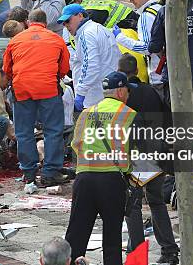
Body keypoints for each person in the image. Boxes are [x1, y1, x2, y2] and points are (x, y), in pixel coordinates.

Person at [66, 71, 137, 264]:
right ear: (121, 92)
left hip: (84, 180)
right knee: (112, 237)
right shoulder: (129, 115)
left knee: (76, 233)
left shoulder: (86, 113)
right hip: (112, 181)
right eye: (128, 91)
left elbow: (76, 144)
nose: (129, 95)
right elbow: (136, 149)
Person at [118, 54, 179, 264]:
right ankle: (169, 251)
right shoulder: (152, 92)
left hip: (138, 155)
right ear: (137, 70)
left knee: (132, 204)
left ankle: (136, 252)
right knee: (156, 201)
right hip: (158, 152)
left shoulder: (125, 97)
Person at [4, 9, 70, 187]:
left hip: (22, 89)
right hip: (48, 89)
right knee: (53, 131)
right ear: (45, 23)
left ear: (27, 22)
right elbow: (64, 68)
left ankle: (29, 173)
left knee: (24, 132)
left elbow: (7, 69)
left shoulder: (16, 40)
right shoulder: (56, 39)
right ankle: (50, 172)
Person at [57, 4, 121, 111]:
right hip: (104, 92)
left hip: (94, 97)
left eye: (68, 21)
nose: (66, 25)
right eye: (63, 23)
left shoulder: (87, 35)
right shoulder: (99, 28)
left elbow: (91, 65)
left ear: (80, 16)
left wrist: (81, 93)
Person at [114, 0, 164, 89]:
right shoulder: (160, 9)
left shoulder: (146, 16)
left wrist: (120, 37)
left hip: (159, 76)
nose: (131, 1)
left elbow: (147, 48)